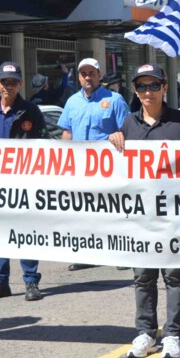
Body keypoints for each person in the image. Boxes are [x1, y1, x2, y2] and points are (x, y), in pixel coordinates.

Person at [107, 63, 180, 358]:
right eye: (141, 86)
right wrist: (112, 140)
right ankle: (146, 333)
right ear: (135, 91)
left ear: (164, 87)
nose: (147, 92)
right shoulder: (129, 124)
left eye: (153, 86)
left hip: (173, 215)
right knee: (143, 277)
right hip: (141, 216)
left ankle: (173, 334)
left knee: (174, 276)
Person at [0, 62, 51, 301]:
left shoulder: (30, 111)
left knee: (26, 230)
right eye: (5, 81)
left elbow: (44, 145)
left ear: (20, 83)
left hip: (24, 182)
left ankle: (30, 281)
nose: (9, 86)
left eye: (14, 81)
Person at [60, 58, 130, 271]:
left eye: (92, 73)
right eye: (84, 73)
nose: (88, 77)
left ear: (99, 75)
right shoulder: (72, 101)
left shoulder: (115, 100)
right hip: (81, 169)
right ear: (79, 77)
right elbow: (67, 132)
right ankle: (90, 254)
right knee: (86, 211)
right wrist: (62, 161)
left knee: (113, 210)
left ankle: (122, 254)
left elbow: (127, 131)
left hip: (109, 168)